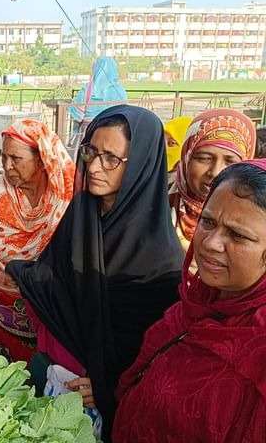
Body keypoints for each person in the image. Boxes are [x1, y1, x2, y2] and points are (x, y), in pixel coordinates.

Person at [5, 105, 184, 439]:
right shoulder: (83, 212)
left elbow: (152, 351)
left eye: (111, 158)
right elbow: (52, 275)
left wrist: (107, 384)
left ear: (142, 164)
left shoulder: (161, 260)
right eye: (90, 152)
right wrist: (18, 273)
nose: (96, 166)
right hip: (60, 375)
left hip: (104, 396)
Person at [113, 161, 266, 443]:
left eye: (237, 235)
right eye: (208, 222)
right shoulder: (192, 306)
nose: (209, 243)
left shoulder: (258, 351)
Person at [0, 119, 75, 362]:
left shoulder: (66, 201)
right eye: (3, 156)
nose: (6, 166)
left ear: (41, 160)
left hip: (43, 320)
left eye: (16, 159)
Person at [170, 108, 255, 250]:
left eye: (230, 162)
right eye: (204, 159)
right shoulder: (157, 205)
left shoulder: (255, 218)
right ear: (186, 159)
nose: (215, 172)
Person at [68, 57, 127, 158]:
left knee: (86, 163)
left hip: (89, 134)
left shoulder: (87, 89)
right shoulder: (120, 91)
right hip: (113, 134)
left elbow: (77, 116)